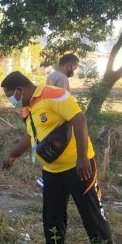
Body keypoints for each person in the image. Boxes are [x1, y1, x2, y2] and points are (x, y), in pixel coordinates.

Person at [0, 71, 122, 244]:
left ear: (20, 90)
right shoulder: (27, 109)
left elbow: (79, 119)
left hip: (79, 169)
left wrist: (83, 158)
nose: (10, 99)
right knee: (52, 215)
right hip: (52, 172)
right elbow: (31, 136)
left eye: (11, 94)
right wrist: (13, 154)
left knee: (92, 215)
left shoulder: (53, 94)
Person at [37, 54, 79, 187]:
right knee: (60, 149)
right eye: (74, 68)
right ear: (69, 66)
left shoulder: (52, 75)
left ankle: (47, 175)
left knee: (50, 147)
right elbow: (63, 100)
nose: (74, 70)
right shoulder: (62, 78)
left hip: (51, 117)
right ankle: (50, 177)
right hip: (60, 120)